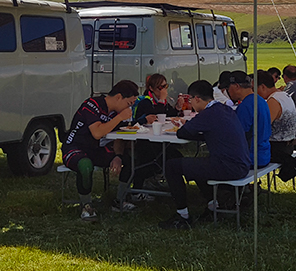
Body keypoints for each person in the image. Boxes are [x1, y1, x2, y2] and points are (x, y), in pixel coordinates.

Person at [158, 80, 250, 230]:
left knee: (172, 166)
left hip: (228, 166)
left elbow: (183, 132)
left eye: (191, 101)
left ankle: (183, 215)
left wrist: (186, 126)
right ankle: (214, 204)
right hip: (241, 163)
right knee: (198, 164)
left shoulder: (207, 114)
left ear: (197, 99)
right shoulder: (224, 109)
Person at [61, 80, 139, 222]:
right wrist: (120, 117)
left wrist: (118, 156)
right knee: (85, 165)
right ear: (118, 97)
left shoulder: (116, 113)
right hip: (74, 147)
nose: (130, 108)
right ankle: (86, 205)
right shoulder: (92, 104)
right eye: (129, 103)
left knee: (129, 160)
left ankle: (120, 200)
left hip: (95, 149)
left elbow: (119, 137)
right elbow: (97, 132)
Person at [124, 73, 184, 199]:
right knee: (157, 158)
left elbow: (168, 114)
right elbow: (156, 117)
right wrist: (162, 101)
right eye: (160, 87)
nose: (164, 90)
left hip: (158, 138)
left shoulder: (160, 101)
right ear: (151, 88)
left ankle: (155, 180)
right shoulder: (146, 101)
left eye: (165, 86)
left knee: (173, 155)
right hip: (144, 140)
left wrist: (178, 107)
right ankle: (138, 189)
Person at [225, 70, 271, 168]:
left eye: (228, 88)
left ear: (237, 86)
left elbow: (238, 134)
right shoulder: (260, 100)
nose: (227, 91)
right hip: (264, 154)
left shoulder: (246, 106)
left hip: (252, 157)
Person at [256, 70, 296, 173]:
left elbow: (263, 127)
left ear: (262, 87)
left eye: (254, 89)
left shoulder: (273, 101)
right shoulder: (284, 95)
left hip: (278, 147)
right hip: (289, 144)